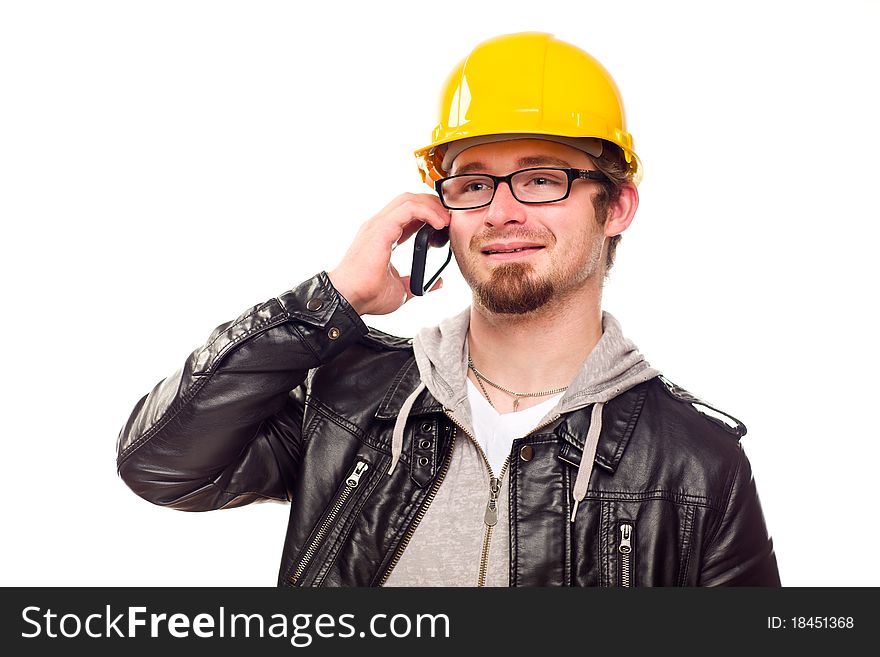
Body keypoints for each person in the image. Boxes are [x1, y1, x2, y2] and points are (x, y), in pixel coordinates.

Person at [117, 32, 780, 586]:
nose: (501, 210)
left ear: (617, 207)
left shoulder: (699, 465)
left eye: (543, 177)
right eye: (472, 182)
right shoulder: (352, 398)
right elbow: (159, 463)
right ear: (440, 215)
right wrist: (333, 301)